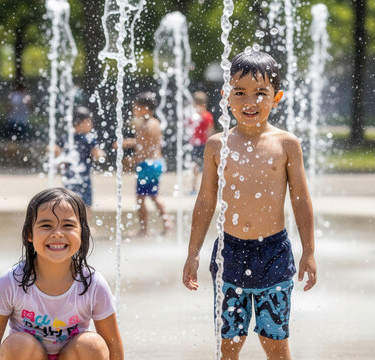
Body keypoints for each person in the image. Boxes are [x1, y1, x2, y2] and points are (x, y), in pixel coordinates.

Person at [182, 50, 317, 360]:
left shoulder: (286, 144)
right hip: (229, 252)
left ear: (277, 97)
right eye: (239, 92)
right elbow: (205, 201)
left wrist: (308, 251)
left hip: (274, 253)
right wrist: (193, 253)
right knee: (229, 344)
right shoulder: (218, 144)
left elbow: (300, 199)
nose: (249, 102)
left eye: (260, 93)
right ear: (226, 95)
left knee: (275, 343)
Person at [0, 188, 123, 360]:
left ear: (82, 232)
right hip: (28, 355)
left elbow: (112, 342)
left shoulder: (93, 284)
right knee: (17, 344)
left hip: (72, 356)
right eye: (46, 225)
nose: (57, 234)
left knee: (92, 345)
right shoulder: (11, 282)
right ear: (29, 234)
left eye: (68, 225)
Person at [120, 91, 172, 236]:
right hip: (157, 163)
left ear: (145, 108)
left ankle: (144, 229)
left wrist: (132, 160)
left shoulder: (144, 125)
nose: (133, 110)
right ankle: (167, 222)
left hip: (147, 164)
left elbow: (145, 150)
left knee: (141, 198)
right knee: (153, 195)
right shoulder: (154, 123)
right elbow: (149, 144)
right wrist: (128, 143)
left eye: (135, 107)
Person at [55, 106, 106, 209]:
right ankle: (83, 223)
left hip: (69, 175)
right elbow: (97, 153)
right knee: (86, 203)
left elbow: (57, 150)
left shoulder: (67, 137)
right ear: (84, 122)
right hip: (83, 175)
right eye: (90, 122)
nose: (91, 125)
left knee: (70, 200)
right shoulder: (88, 138)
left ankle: (72, 221)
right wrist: (101, 154)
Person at [187, 91, 215, 195]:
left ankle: (201, 188)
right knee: (195, 166)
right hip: (196, 144)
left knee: (204, 167)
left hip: (203, 144)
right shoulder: (196, 116)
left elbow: (209, 131)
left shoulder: (207, 116)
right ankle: (195, 187)